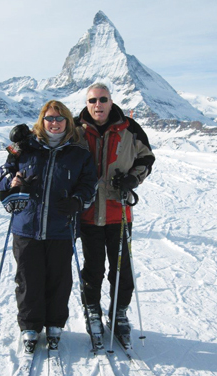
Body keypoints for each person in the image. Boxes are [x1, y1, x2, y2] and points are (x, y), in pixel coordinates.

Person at [0, 100, 98, 353]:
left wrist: (77, 201)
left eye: (59, 118)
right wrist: (14, 182)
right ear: (41, 121)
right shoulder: (24, 149)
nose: (54, 123)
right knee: (28, 278)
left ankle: (54, 323)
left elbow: (89, 185)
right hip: (26, 226)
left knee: (59, 279)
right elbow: (5, 172)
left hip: (61, 227)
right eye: (49, 118)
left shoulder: (79, 154)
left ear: (68, 122)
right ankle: (30, 325)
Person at [74, 83, 155, 346]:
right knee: (94, 268)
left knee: (122, 270)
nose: (98, 104)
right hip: (88, 214)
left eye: (103, 99)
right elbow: (51, 148)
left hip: (118, 211)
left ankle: (119, 312)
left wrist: (133, 178)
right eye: (93, 100)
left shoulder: (129, 127)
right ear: (87, 103)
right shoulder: (75, 129)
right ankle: (93, 310)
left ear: (111, 102)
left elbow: (146, 158)